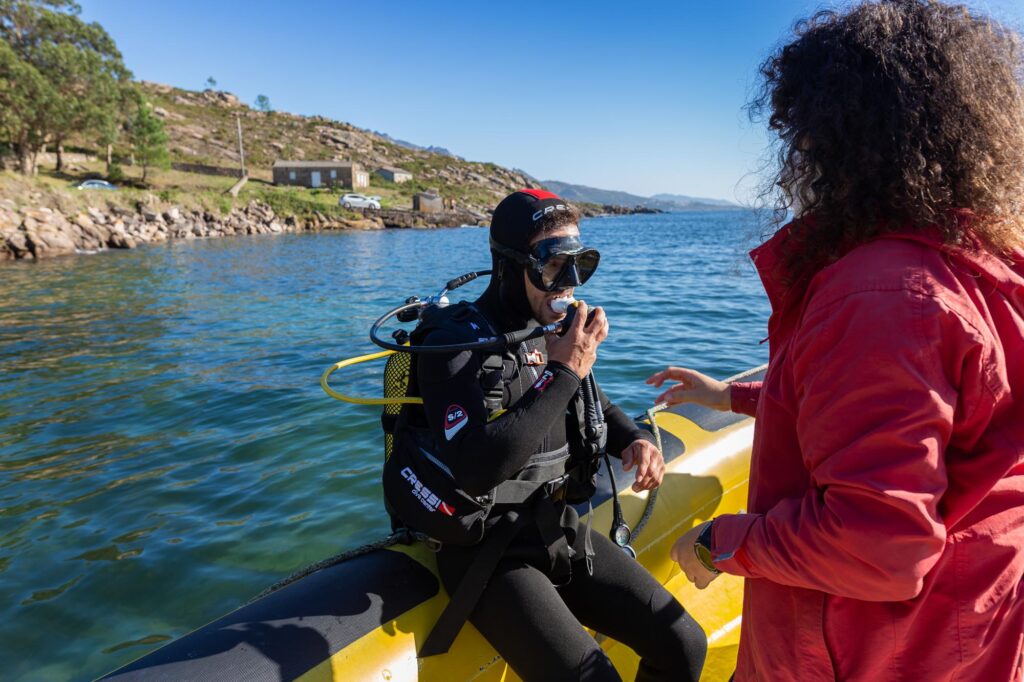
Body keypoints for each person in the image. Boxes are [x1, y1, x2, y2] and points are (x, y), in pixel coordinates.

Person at [649, 1, 1024, 680]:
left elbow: (879, 547)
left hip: (870, 653)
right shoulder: (980, 263)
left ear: (843, 133)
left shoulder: (880, 295)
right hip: (968, 629)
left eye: (799, 130)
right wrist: (732, 395)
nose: (797, 153)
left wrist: (721, 544)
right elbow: (914, 418)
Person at [400, 189, 707, 681]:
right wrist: (565, 369)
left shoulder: (554, 331)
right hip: (488, 555)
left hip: (555, 526)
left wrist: (633, 439)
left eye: (580, 264)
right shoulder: (453, 345)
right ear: (508, 265)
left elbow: (593, 403)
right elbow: (479, 468)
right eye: (553, 266)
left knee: (684, 643)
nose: (569, 283)